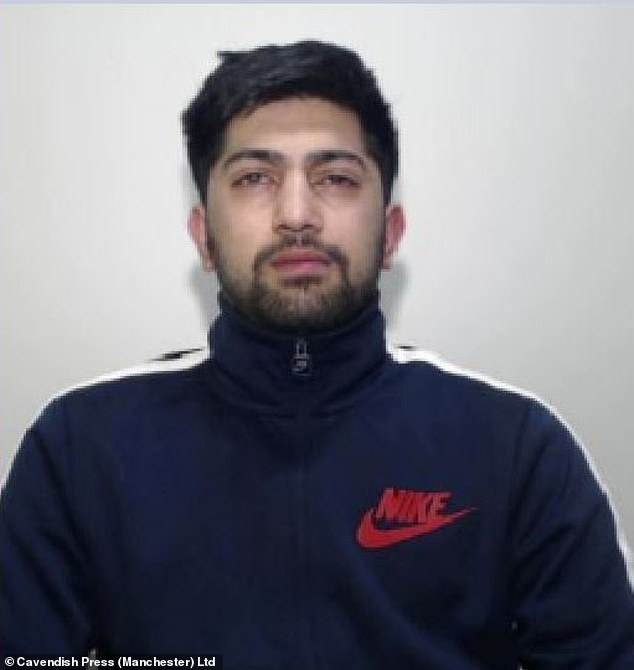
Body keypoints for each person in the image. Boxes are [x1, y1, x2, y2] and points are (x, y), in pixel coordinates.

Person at [1, 40, 632, 669]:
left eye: (336, 178)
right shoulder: (80, 447)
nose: (297, 215)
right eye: (255, 178)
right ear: (205, 238)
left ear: (390, 233)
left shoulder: (517, 447)